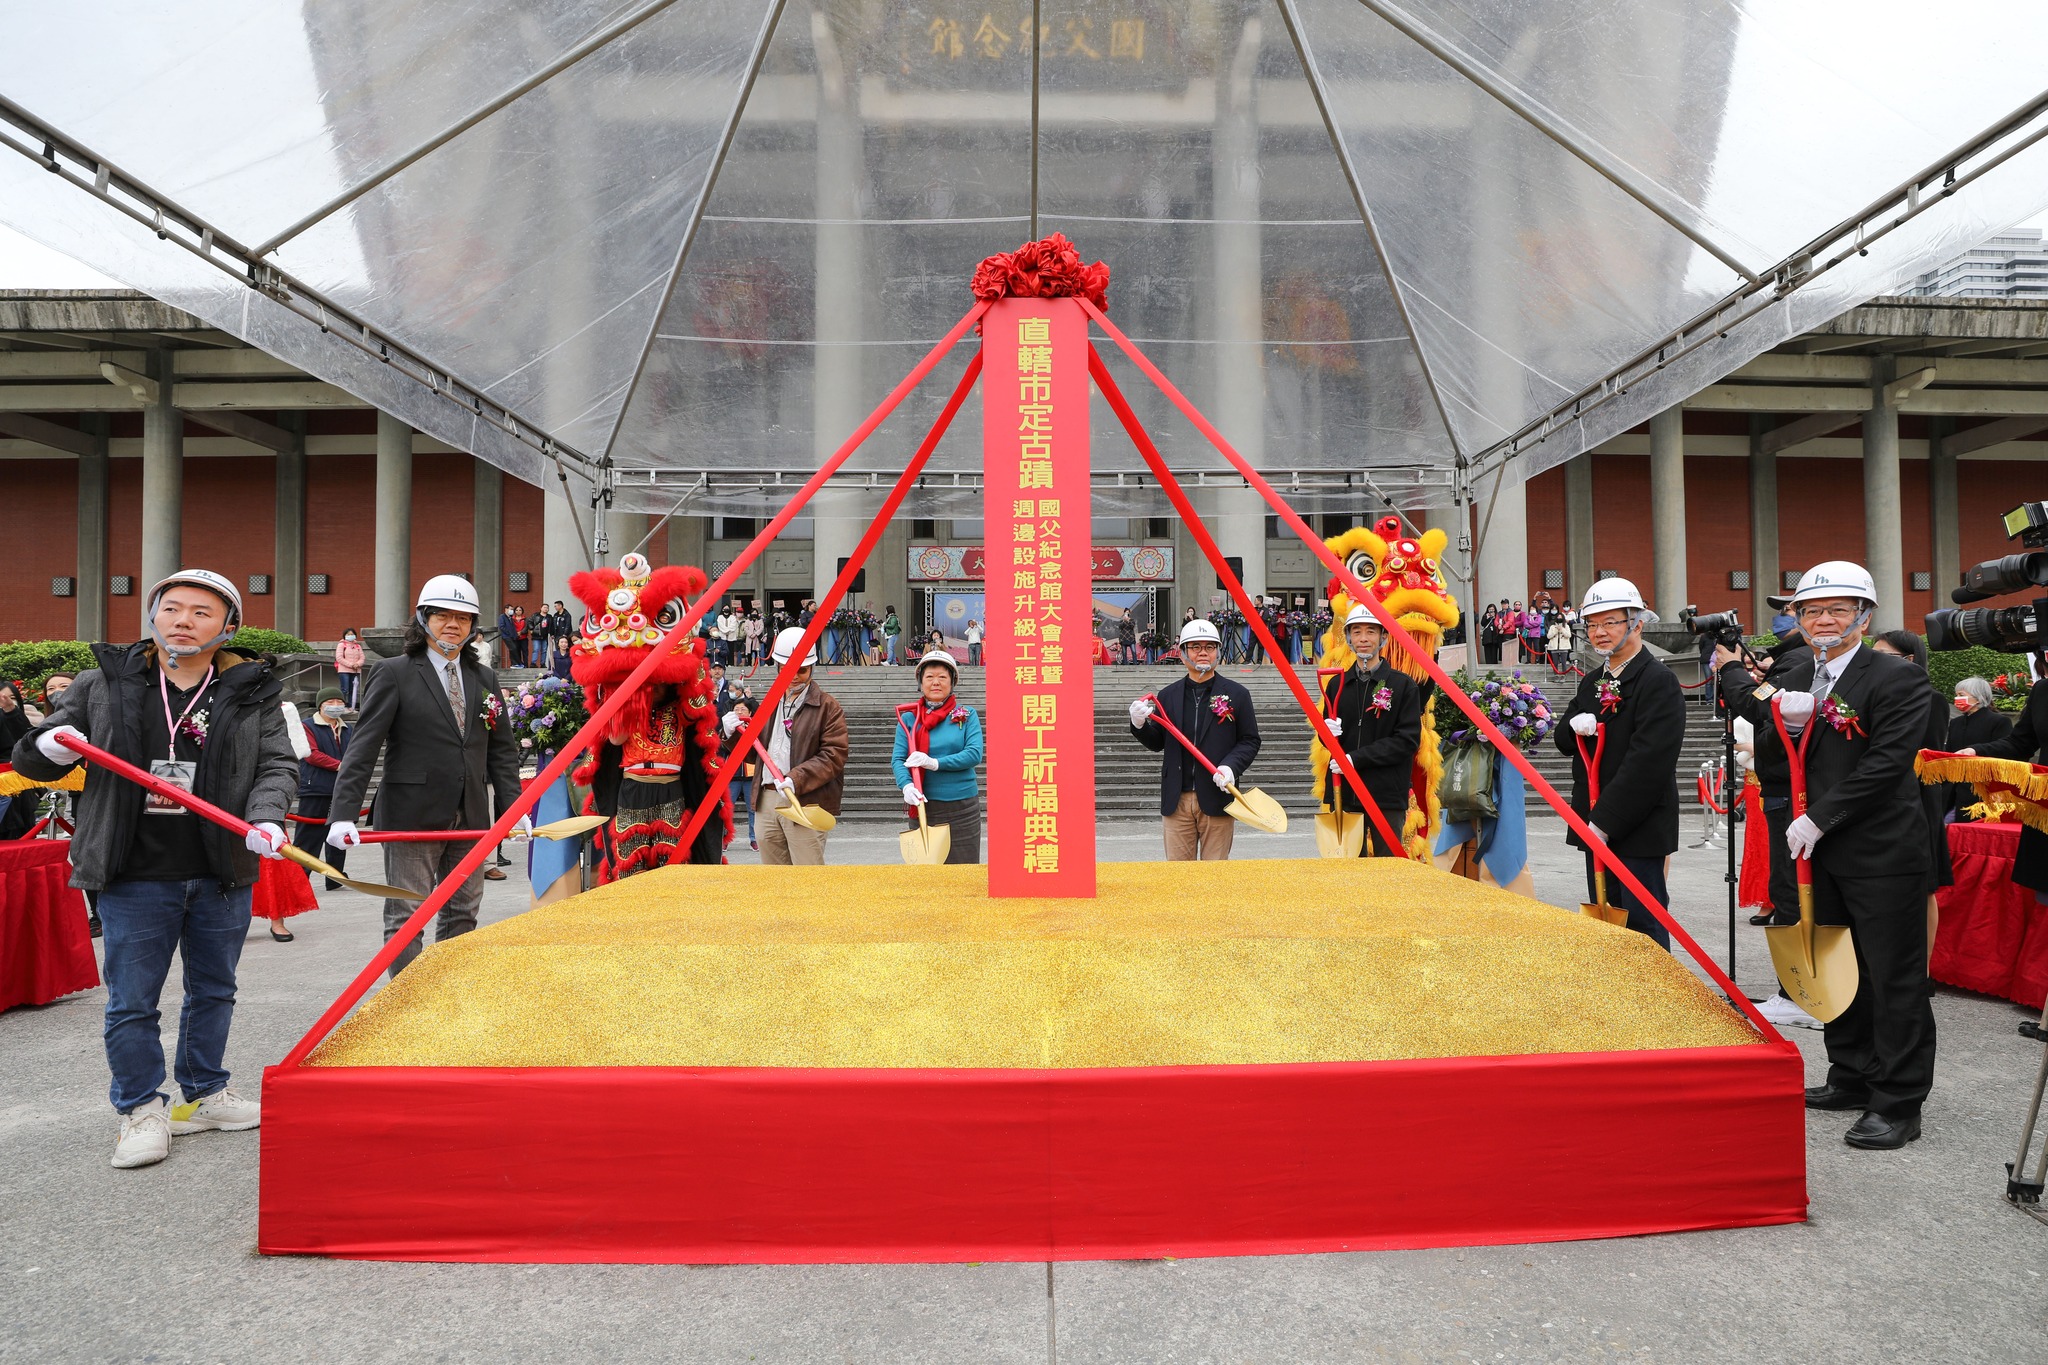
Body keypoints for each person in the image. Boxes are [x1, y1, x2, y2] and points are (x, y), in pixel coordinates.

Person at [12, 569, 295, 1169]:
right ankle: (141, 1107)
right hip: (132, 869)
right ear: (153, 614)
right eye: (172, 608)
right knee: (133, 1001)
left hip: (220, 866)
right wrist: (47, 747)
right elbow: (35, 757)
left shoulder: (252, 690)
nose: (183, 620)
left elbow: (277, 764)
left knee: (214, 989)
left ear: (228, 628)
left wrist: (267, 817)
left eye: (201, 612)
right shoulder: (103, 682)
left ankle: (205, 1092)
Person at [1763, 562, 1936, 1150]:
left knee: (1893, 977)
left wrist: (1820, 816)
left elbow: (1887, 763)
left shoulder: (1896, 677)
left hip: (1881, 850)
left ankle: (1898, 1100)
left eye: (1837, 609)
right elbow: (1780, 756)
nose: (1823, 620)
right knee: (1839, 968)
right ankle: (1852, 1074)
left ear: (1864, 616)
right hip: (1817, 852)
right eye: (1811, 610)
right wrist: (1785, 729)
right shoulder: (1798, 675)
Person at [325, 574, 526, 979]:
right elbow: (363, 747)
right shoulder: (394, 672)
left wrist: (514, 809)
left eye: (463, 618)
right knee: (407, 914)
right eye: (442, 616)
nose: (453, 624)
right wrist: (342, 813)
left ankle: (445, 995)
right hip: (411, 814)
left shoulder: (484, 678)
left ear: (473, 626)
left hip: (470, 814)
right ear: (423, 619)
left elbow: (502, 752)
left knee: (463, 911)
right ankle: (407, 1001)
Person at [1555, 577, 1684, 949]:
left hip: (1637, 824)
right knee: (1606, 919)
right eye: (1592, 624)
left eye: (1610, 622)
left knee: (1643, 923)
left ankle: (1656, 986)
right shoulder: (1593, 681)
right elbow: (1563, 741)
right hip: (1595, 818)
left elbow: (1649, 761)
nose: (1599, 632)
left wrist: (1603, 823)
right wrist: (1575, 726)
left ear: (1637, 623)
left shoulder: (1657, 681)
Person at [1128, 618, 1262, 861]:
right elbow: (1157, 742)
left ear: (1218, 652)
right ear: (1182, 654)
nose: (1203, 652)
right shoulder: (1168, 696)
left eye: (1209, 647)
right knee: (1179, 875)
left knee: (1215, 875)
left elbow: (1250, 740)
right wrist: (1139, 725)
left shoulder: (1237, 694)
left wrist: (1230, 767)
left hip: (1217, 796)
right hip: (1176, 799)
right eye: (1195, 647)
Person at [1320, 605, 1422, 856]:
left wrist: (1355, 759)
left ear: (1383, 637)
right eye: (1356, 632)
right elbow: (1327, 740)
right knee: (1349, 867)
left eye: (1371, 632)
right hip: (1345, 792)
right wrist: (1326, 733)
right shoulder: (1337, 684)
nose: (1363, 638)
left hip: (1386, 794)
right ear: (1348, 638)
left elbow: (1407, 741)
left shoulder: (1402, 685)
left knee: (1387, 866)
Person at [752, 626, 848, 865]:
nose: (794, 676)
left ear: (812, 668)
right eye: (787, 669)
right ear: (778, 667)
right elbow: (752, 752)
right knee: (773, 876)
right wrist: (731, 734)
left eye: (801, 670)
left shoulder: (827, 706)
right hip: (767, 797)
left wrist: (797, 778)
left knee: (807, 875)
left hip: (805, 798)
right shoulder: (769, 702)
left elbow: (834, 755)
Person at [893, 648, 986, 863]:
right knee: (927, 873)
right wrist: (906, 786)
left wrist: (934, 763)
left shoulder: (967, 715)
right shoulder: (909, 719)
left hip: (961, 807)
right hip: (923, 806)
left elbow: (973, 754)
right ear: (921, 682)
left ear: (952, 682)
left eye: (942, 677)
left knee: (962, 870)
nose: (936, 682)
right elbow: (898, 759)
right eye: (930, 677)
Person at [291, 687, 353, 896]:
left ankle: (335, 876)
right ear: (320, 705)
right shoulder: (307, 726)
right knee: (308, 837)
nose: (335, 706)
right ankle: (298, 879)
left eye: (339, 702)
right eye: (330, 702)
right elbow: (311, 754)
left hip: (341, 789)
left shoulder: (348, 728)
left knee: (339, 835)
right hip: (315, 788)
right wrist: (342, 765)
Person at [1942, 677, 2011, 817]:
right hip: (1953, 789)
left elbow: (2004, 752)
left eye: (1961, 695)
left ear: (1978, 697)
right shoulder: (1956, 723)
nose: (1957, 698)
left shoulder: (1999, 721)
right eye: (1956, 695)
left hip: (1982, 791)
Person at [720, 697, 757, 851]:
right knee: (728, 808)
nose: (739, 712)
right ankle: (725, 838)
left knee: (753, 809)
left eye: (743, 709)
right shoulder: (728, 726)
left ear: (750, 712)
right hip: (733, 774)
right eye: (736, 709)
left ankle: (754, 838)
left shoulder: (755, 726)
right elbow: (721, 747)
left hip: (750, 774)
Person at [335, 628, 366, 706]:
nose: (350, 636)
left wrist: (357, 664)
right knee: (345, 689)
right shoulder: (341, 645)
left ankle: (351, 706)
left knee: (353, 690)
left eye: (352, 634)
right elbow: (339, 658)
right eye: (348, 634)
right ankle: (341, 705)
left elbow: (362, 658)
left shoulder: (358, 646)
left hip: (355, 671)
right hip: (344, 670)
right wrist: (351, 665)